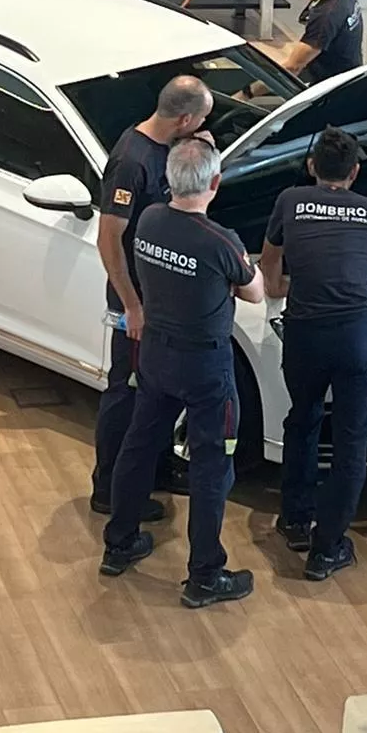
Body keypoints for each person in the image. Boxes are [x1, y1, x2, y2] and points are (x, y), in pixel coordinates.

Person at [100, 138, 265, 605]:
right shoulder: (220, 241)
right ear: (215, 182)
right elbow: (254, 293)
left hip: (155, 355)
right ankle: (205, 575)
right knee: (212, 466)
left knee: (140, 441)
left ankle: (119, 542)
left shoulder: (149, 219)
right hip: (207, 367)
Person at [260, 125, 367, 581]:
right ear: (355, 171)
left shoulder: (290, 201)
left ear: (312, 166)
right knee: (353, 439)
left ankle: (294, 519)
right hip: (357, 335)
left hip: (306, 332)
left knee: (303, 417)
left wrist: (280, 289)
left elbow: (269, 259)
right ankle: (328, 548)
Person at [91, 74, 214, 516]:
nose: (203, 126)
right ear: (184, 118)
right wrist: (131, 305)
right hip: (136, 303)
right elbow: (108, 239)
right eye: (201, 119)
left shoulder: (169, 150)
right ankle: (109, 488)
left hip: (160, 299)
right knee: (126, 390)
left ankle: (152, 471)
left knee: (158, 393)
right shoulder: (132, 160)